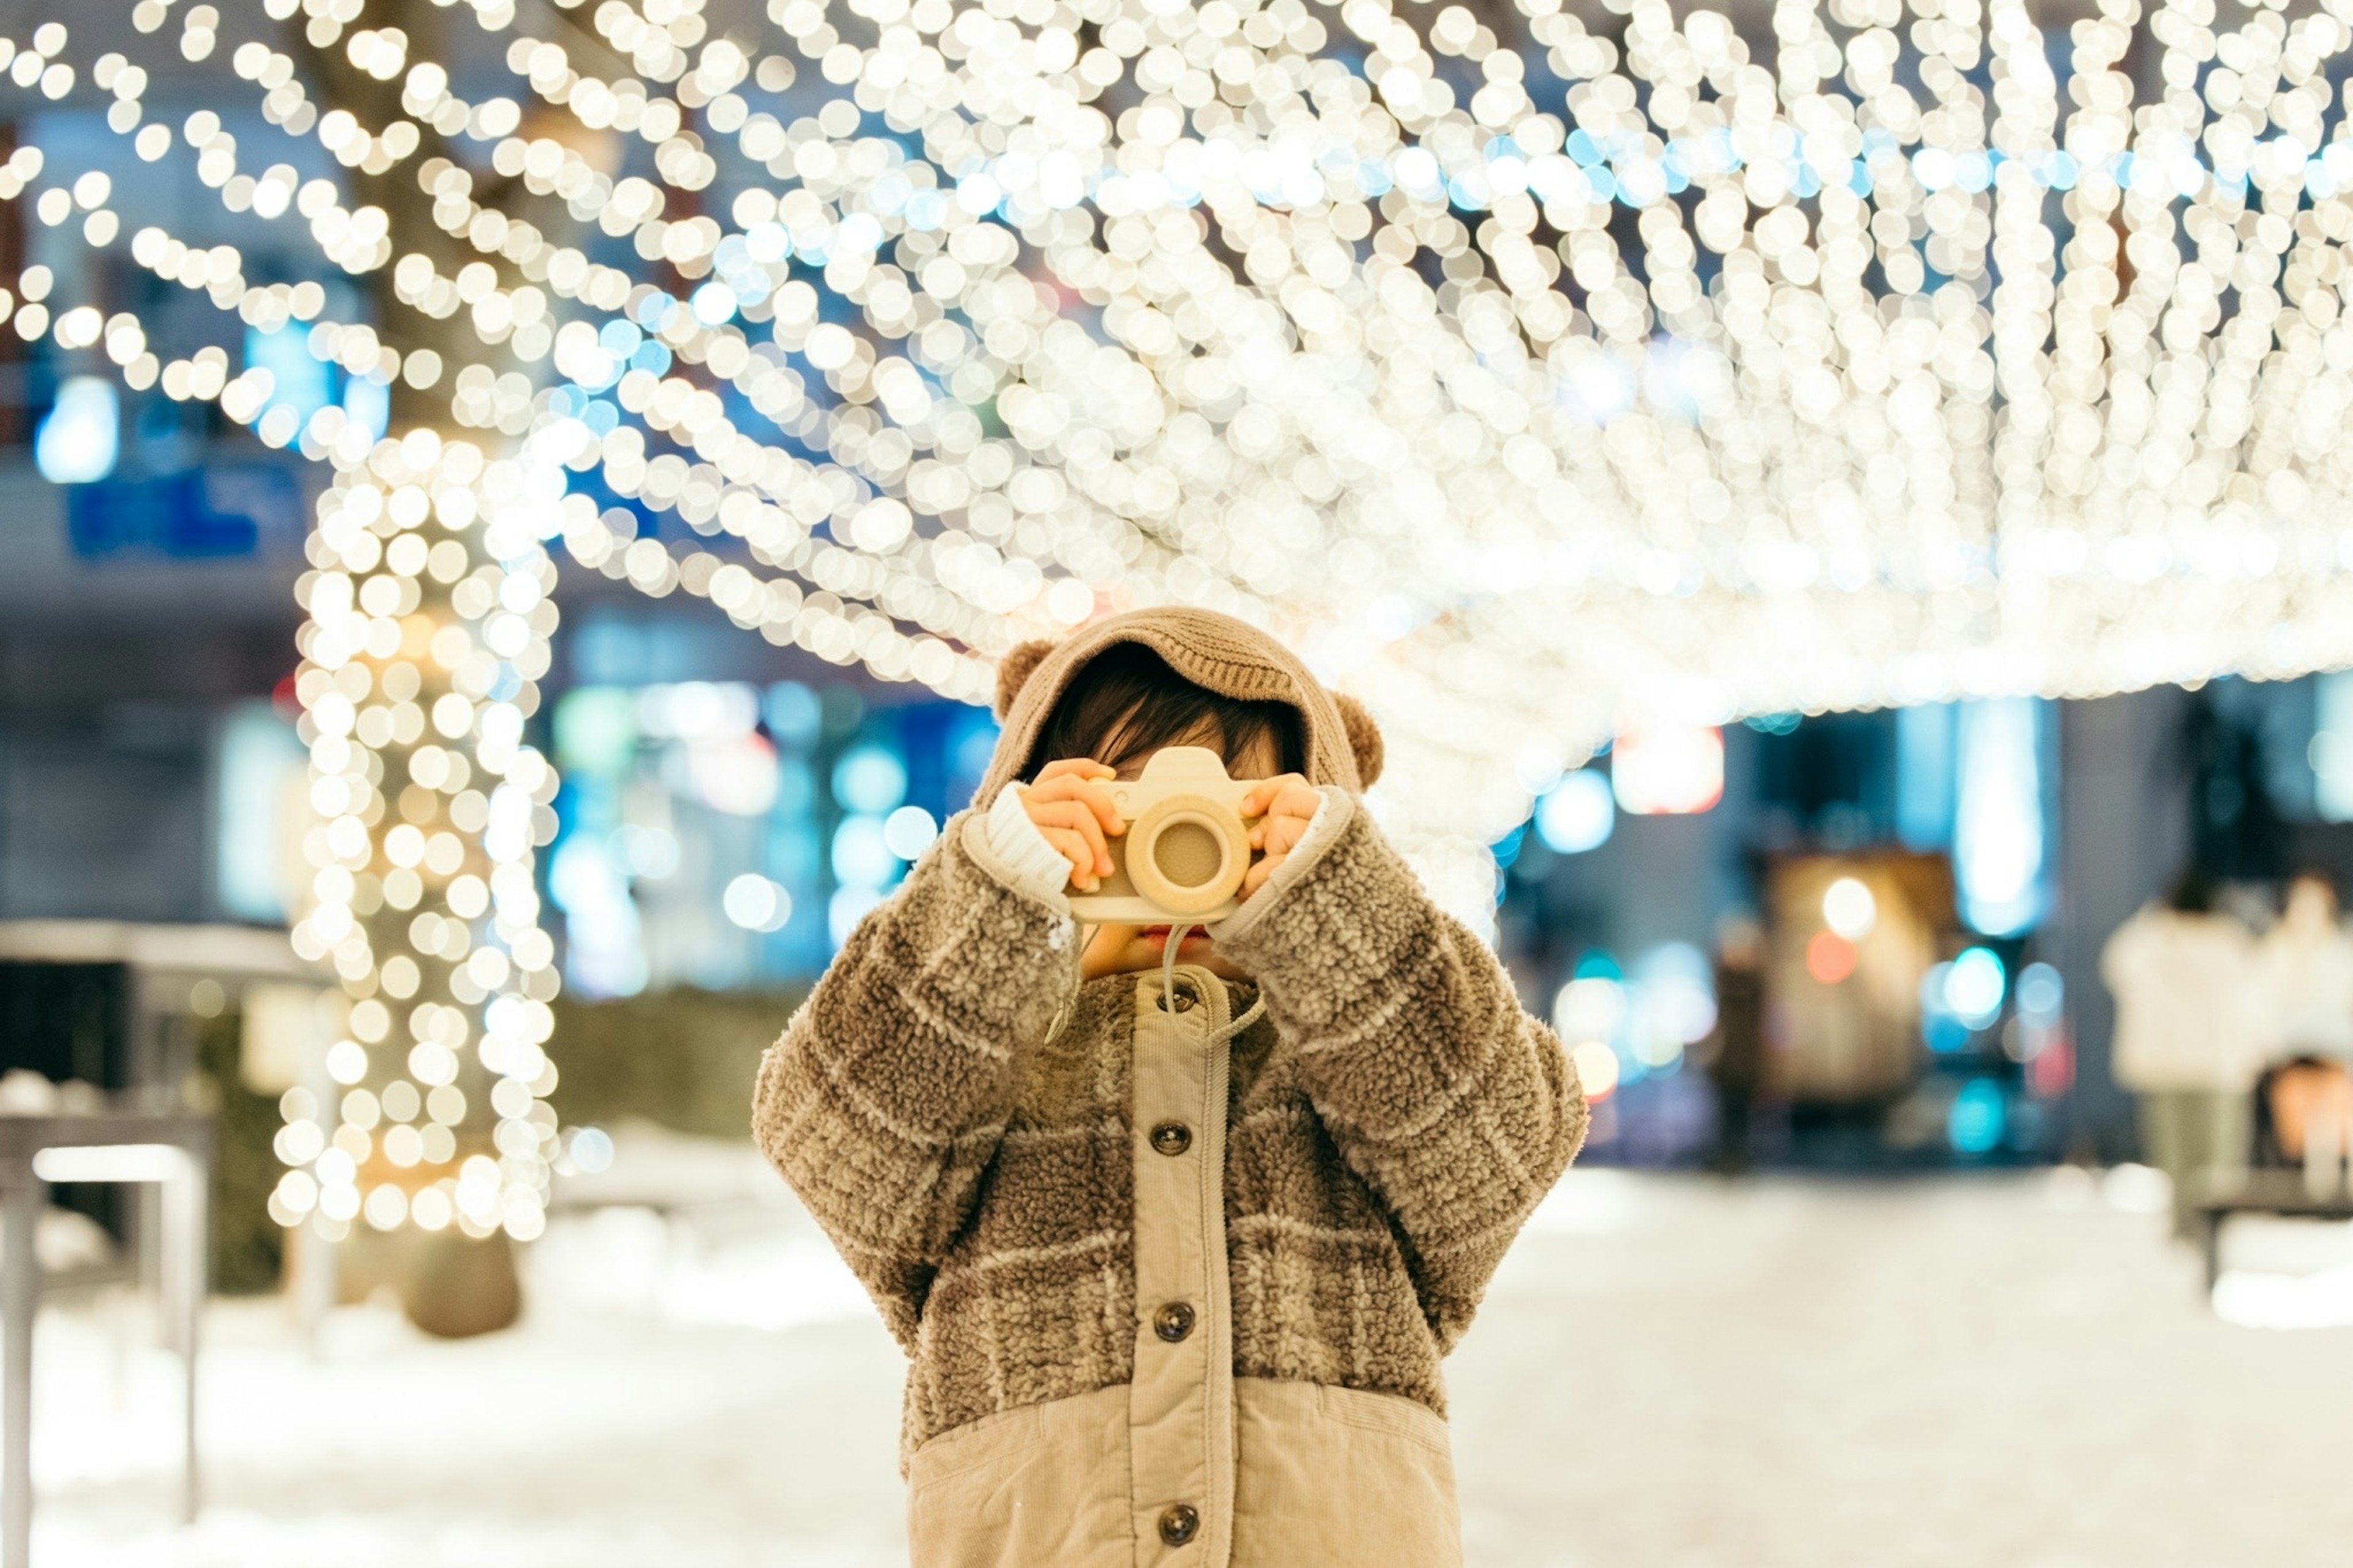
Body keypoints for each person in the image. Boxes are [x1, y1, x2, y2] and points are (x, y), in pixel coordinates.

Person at [754, 608, 1588, 1567]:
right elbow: (826, 1133)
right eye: (1128, 818)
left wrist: (1340, 909)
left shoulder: (1351, 1065)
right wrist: (989, 897)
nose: (1176, 866)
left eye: (1229, 825)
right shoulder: (990, 1060)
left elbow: (1504, 1140)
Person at [2101, 872, 2261, 1234]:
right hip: (2215, 1067)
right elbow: (2253, 1003)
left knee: (2174, 1157)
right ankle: (2212, 1231)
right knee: (2216, 1158)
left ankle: (2184, 1228)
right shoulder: (2229, 941)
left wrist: (2154, 916)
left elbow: (2114, 965)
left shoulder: (2150, 939)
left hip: (2166, 1065)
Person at [2252, 873, 2353, 1172]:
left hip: (2335, 1052)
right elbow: (2260, 1002)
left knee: (2335, 1116)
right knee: (2295, 1121)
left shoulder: (2342, 950)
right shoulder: (2275, 950)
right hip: (2288, 1053)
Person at [1704, 913, 1768, 1174]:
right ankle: (1726, 1157)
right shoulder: (1725, 982)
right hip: (1726, 1062)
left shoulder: (1755, 985)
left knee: (1743, 1116)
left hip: (1747, 1063)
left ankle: (1740, 1159)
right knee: (1724, 1115)